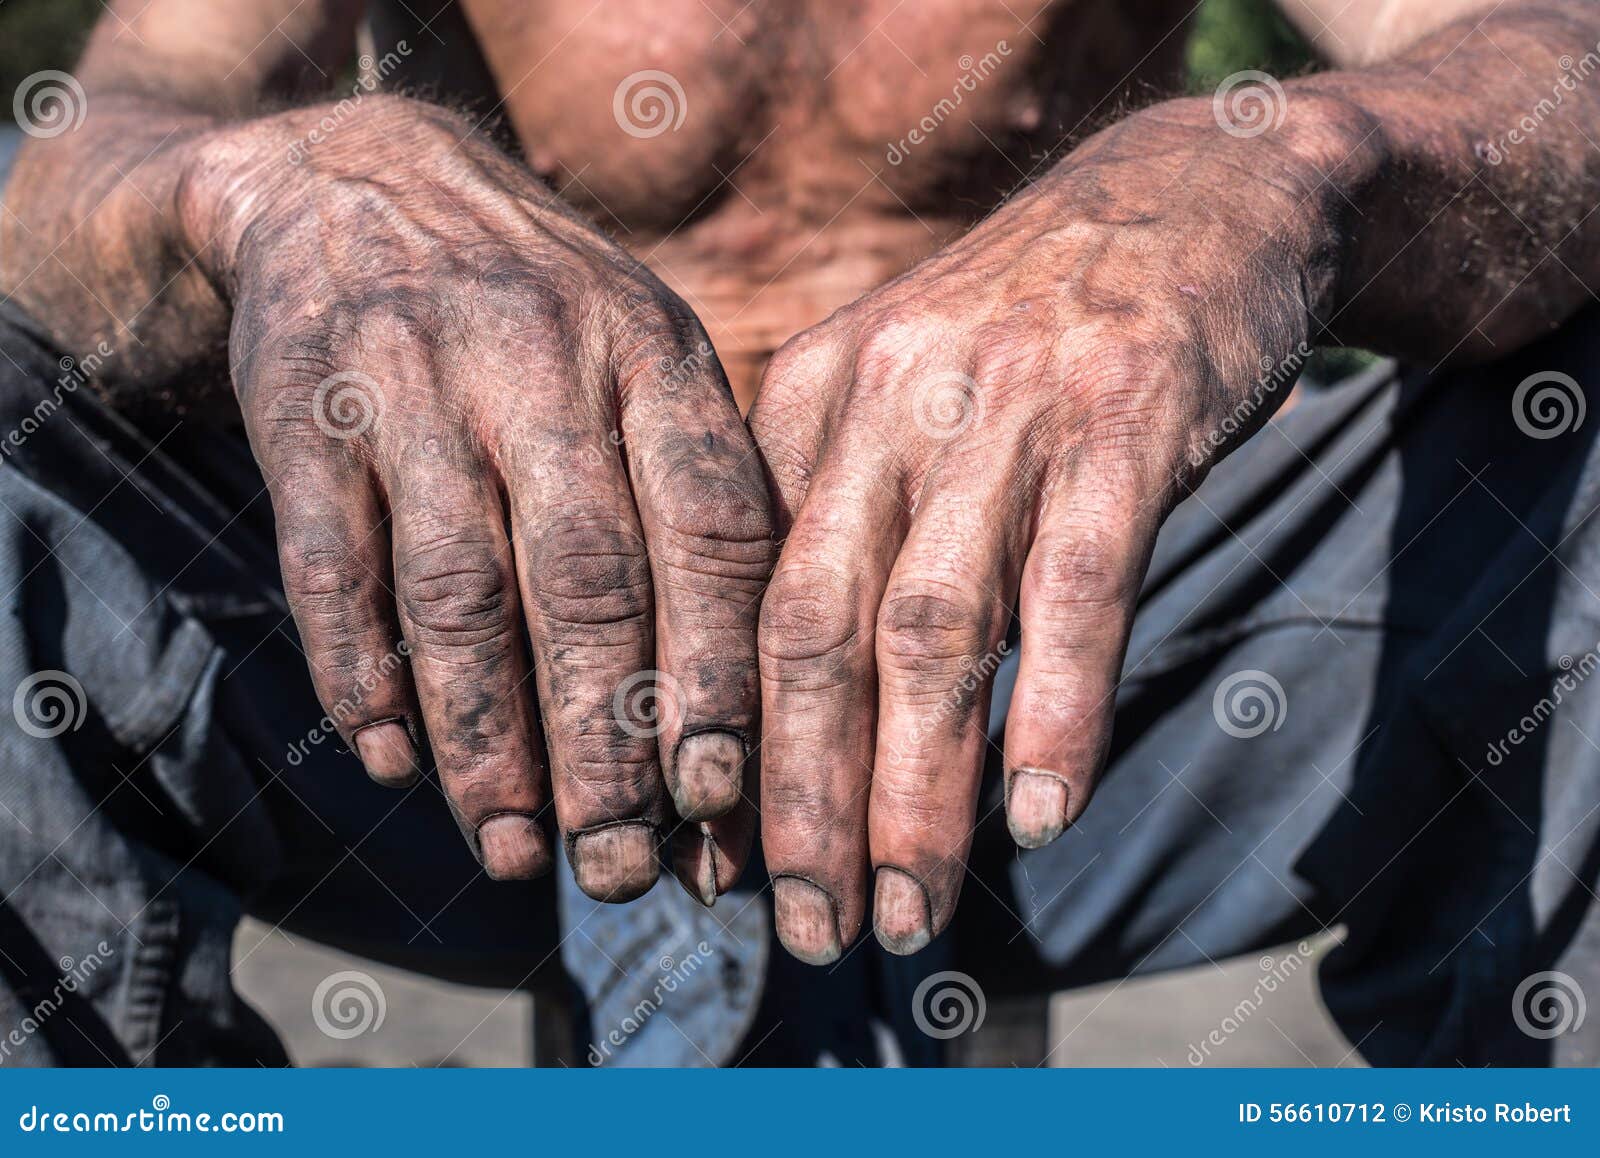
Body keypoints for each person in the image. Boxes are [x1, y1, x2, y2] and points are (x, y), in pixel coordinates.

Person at [1, 0, 1598, 1066]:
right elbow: (91, 140)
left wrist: (1274, 158)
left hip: (1076, 669)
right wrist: (286, 182)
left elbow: (1557, 53)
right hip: (464, 676)